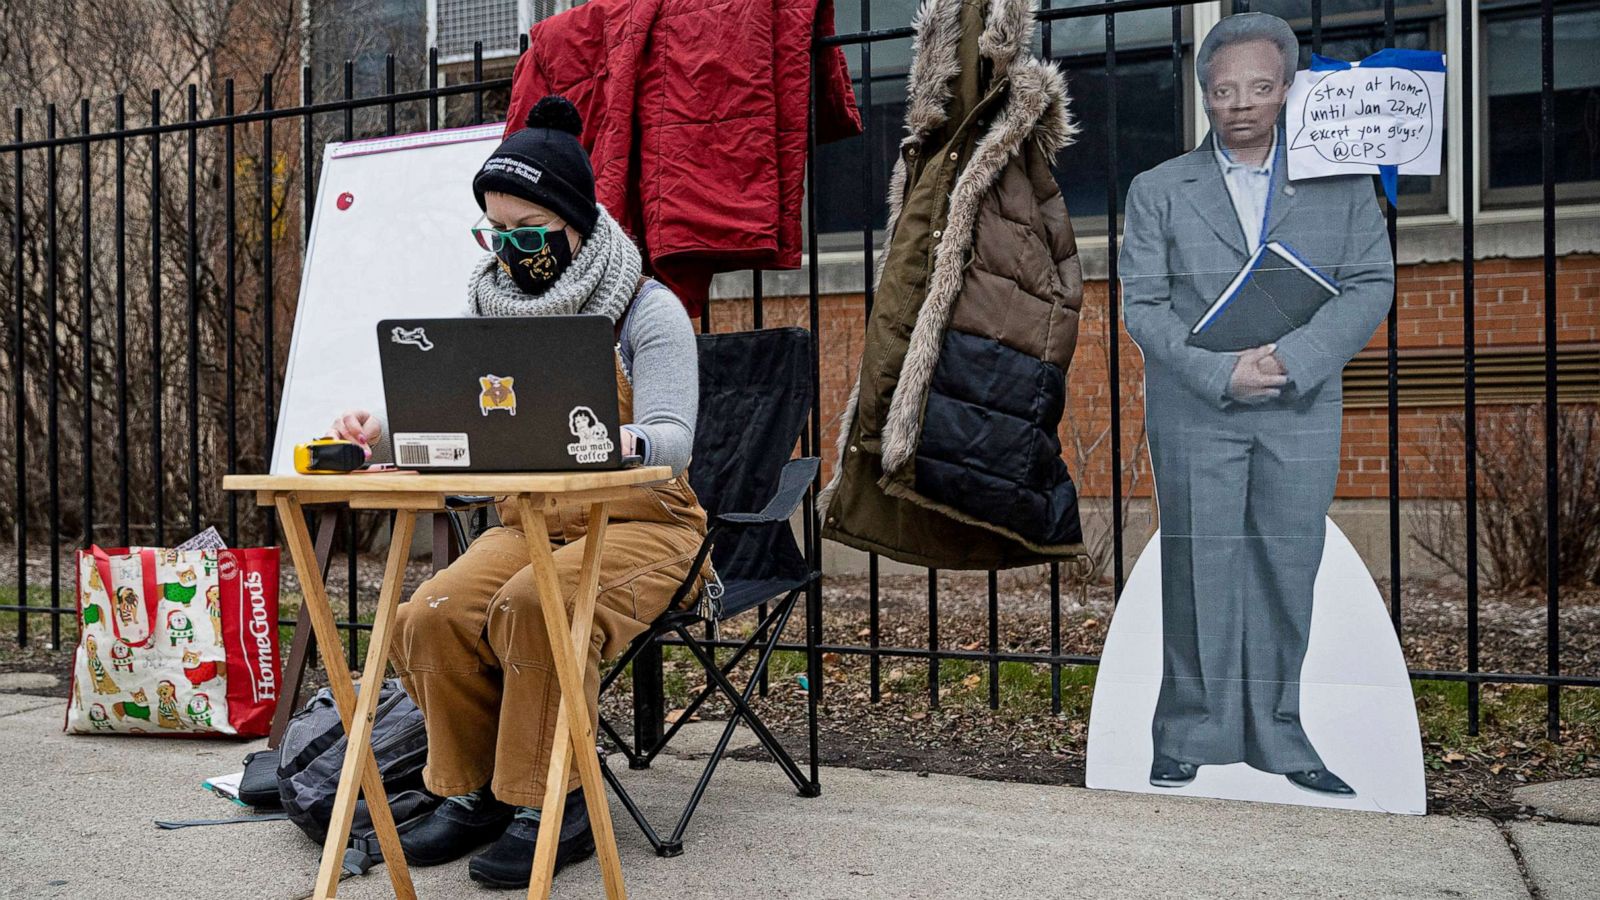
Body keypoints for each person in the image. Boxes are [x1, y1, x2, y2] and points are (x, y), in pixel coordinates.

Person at [326, 95, 709, 887]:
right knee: (426, 615)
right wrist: (382, 433)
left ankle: (553, 802)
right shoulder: (488, 307)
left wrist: (620, 438)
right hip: (530, 522)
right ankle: (471, 796)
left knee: (538, 605)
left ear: (576, 222)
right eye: (495, 233)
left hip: (641, 522)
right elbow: (456, 420)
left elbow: (673, 442)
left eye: (529, 232)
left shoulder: (649, 309)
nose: (511, 250)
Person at [1118, 13, 1394, 796]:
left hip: (1299, 407)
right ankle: (1187, 731)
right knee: (1199, 565)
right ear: (1205, 93)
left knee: (1284, 565)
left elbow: (1371, 282)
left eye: (1260, 87)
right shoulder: (1158, 190)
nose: (1240, 103)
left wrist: (1296, 361)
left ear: (1288, 90)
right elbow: (1144, 306)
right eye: (1223, 88)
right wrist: (1217, 373)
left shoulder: (1340, 183)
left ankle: (1280, 734)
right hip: (1198, 407)